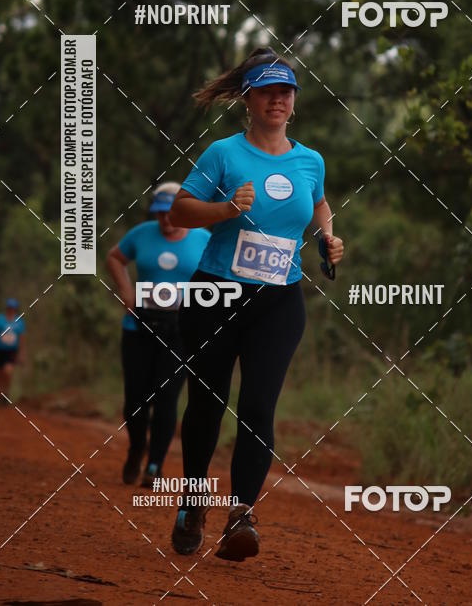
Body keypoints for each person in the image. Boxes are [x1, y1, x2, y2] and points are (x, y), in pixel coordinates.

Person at [168, 47, 344, 561]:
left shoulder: (310, 159)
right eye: (267, 91)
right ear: (248, 98)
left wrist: (329, 237)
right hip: (214, 295)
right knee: (206, 404)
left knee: (259, 407)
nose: (277, 99)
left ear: (294, 101)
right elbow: (181, 208)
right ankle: (192, 501)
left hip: (279, 301)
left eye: (285, 91)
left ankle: (241, 515)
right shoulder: (223, 153)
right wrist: (225, 208)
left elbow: (318, 204)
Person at [106, 182, 210, 487]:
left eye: (171, 213)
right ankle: (137, 447)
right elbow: (115, 258)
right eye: (160, 213)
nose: (166, 219)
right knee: (135, 399)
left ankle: (154, 464)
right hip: (139, 326)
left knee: (166, 397)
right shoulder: (141, 234)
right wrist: (126, 292)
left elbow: (217, 277)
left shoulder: (203, 239)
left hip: (180, 329)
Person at [0, 298, 26, 406]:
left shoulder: (19, 322)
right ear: (7, 308)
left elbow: (21, 339)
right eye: (9, 308)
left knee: (8, 372)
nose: (11, 310)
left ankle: (5, 394)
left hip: (11, 351)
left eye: (13, 308)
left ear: (15, 309)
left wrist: (22, 354)